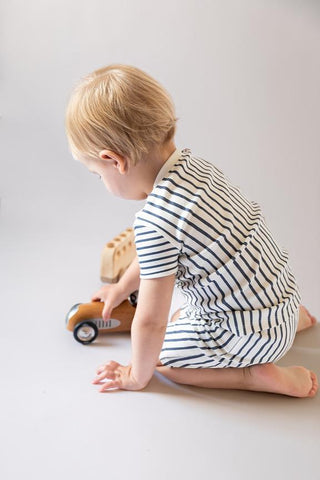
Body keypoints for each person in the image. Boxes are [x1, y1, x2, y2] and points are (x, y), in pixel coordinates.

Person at [65, 64, 318, 397]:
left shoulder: (155, 221)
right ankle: (291, 324)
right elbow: (157, 254)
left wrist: (136, 374)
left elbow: (151, 321)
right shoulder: (196, 169)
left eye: (98, 174)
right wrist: (123, 287)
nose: (102, 181)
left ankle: (254, 375)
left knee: (164, 360)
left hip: (253, 336)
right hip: (283, 303)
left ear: (115, 161)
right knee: (185, 313)